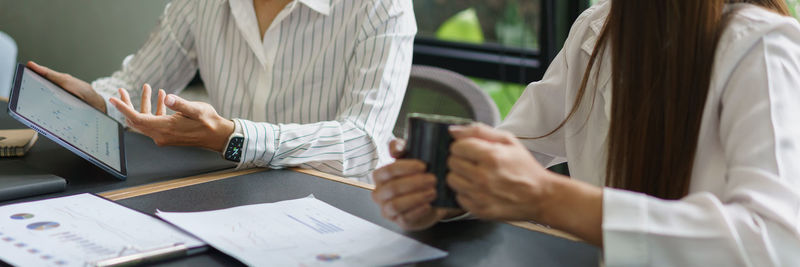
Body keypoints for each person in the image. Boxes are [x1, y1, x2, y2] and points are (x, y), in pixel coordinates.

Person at [372, 0, 800, 265]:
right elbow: (515, 148)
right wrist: (442, 194)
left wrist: (548, 197)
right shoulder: (597, 32)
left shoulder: (762, 48)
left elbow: (776, 245)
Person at [27, 0, 416, 182]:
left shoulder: (381, 7)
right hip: (231, 189)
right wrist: (96, 100)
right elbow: (135, 86)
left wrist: (236, 138)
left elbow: (363, 142)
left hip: (342, 205)